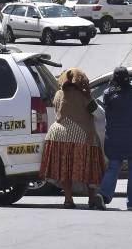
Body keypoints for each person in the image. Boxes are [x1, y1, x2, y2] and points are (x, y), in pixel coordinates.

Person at [40, 68, 105, 209]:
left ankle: (68, 200)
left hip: (57, 136)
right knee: (90, 169)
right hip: (83, 137)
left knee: (65, 169)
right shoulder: (84, 97)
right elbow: (100, 115)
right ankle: (92, 199)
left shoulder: (58, 94)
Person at [95, 67, 132, 212]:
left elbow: (105, 100)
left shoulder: (108, 95)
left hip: (114, 138)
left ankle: (103, 194)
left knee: (113, 167)